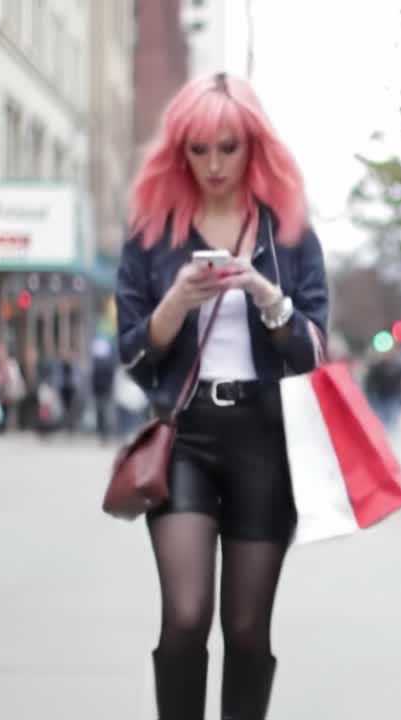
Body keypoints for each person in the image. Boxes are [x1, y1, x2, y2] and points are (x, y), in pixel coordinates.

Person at [114, 71, 328, 720]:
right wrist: (177, 300)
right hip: (184, 435)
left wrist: (267, 296)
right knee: (184, 616)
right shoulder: (153, 235)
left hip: (266, 437)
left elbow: (315, 353)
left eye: (227, 148)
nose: (213, 164)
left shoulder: (287, 235)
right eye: (198, 149)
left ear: (253, 147)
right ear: (178, 151)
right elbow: (132, 354)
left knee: (245, 629)